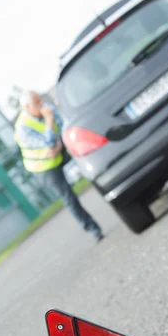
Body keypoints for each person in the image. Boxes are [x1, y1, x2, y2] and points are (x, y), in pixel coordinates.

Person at [15, 91, 103, 241]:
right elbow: (47, 143)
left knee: (92, 161)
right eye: (37, 102)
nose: (41, 104)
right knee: (69, 197)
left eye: (40, 99)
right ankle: (92, 228)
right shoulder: (23, 128)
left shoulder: (48, 108)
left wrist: (59, 145)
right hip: (43, 166)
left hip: (59, 151)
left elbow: (64, 128)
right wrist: (49, 119)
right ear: (28, 107)